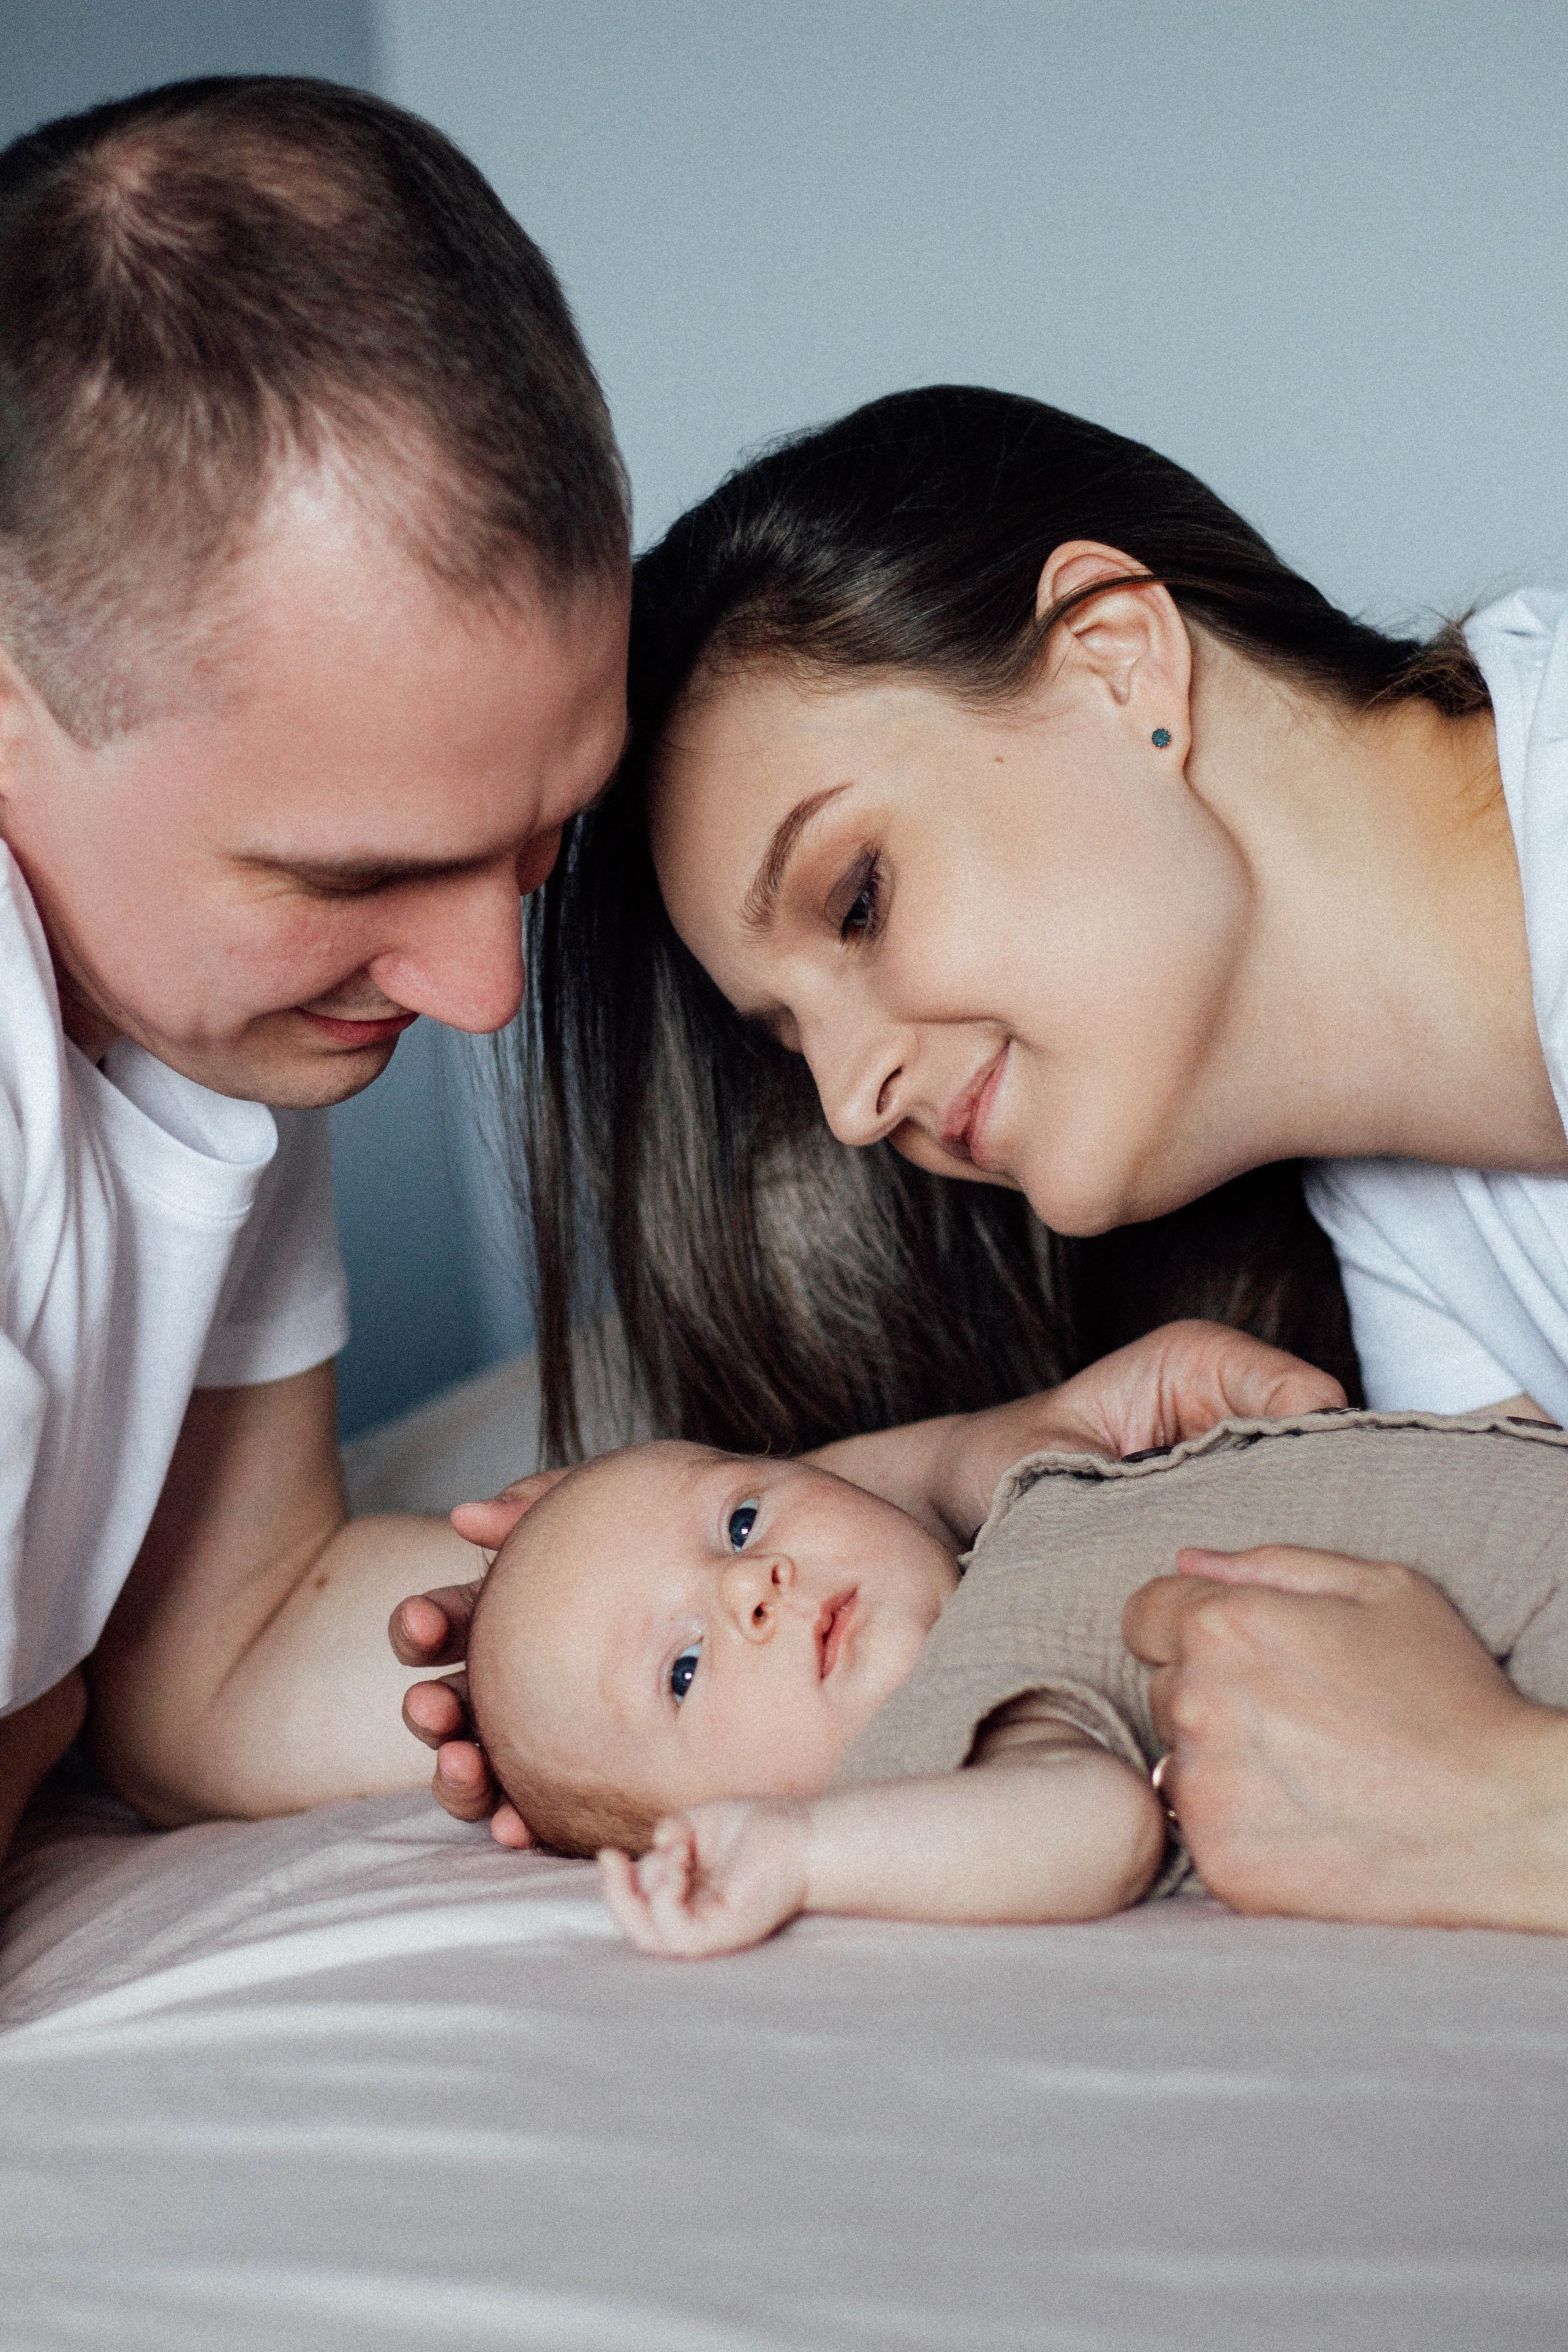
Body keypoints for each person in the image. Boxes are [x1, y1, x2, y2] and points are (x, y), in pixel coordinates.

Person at [1, 87, 1330, 1861]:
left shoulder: (221, 1010)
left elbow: (208, 1667)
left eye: (535, 834)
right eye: (361, 876)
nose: (478, 989)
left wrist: (925, 1494)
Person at [401, 384, 1568, 1929]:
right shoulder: (1415, 1245)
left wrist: (1498, 1810)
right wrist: (701, 1554)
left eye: (857, 897)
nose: (848, 1100)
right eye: (785, 1039)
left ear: (1113, 657)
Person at [458, 1408, 1568, 1958]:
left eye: (740, 1520)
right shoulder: (942, 1731)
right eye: (686, 1669)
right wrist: (804, 1852)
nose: (754, 1583)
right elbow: (1096, 1822)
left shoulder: (1017, 1524)